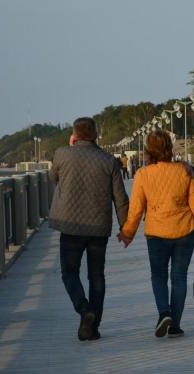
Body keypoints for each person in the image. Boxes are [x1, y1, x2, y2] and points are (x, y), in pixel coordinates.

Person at [118, 130, 194, 339]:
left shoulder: (143, 174)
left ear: (148, 150)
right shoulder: (184, 170)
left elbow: (136, 209)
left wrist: (127, 233)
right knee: (179, 277)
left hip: (157, 233)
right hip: (185, 231)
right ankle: (175, 325)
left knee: (158, 275)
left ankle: (163, 313)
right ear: (169, 147)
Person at [49, 117, 129, 341]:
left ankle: (85, 311)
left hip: (71, 226)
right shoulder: (108, 160)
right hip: (98, 228)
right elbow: (120, 199)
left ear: (74, 134)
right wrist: (126, 228)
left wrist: (70, 146)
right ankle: (92, 328)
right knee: (96, 277)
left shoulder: (62, 153)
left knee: (69, 273)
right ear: (95, 134)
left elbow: (52, 178)